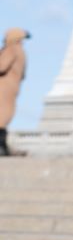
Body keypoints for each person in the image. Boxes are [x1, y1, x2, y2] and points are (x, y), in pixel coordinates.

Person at [0, 28, 27, 157]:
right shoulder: (21, 51)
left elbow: (2, 66)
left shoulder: (11, 49)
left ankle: (2, 148)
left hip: (3, 87)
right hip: (12, 88)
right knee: (3, 117)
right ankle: (3, 147)